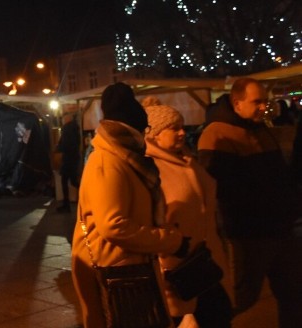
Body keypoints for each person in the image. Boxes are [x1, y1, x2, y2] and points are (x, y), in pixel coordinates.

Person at [71, 82, 186, 328]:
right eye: (143, 129)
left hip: (128, 266)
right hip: (116, 271)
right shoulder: (108, 160)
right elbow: (113, 225)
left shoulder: (122, 156)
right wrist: (169, 241)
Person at [197, 77, 302, 326]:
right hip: (250, 232)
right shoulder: (217, 134)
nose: (263, 107)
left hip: (280, 227)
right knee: (243, 297)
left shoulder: (259, 127)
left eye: (265, 101)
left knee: (293, 294)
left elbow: (278, 176)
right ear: (237, 103)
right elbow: (219, 188)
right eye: (257, 101)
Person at [143, 102, 233, 327]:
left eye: (182, 126)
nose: (182, 132)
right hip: (181, 269)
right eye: (174, 128)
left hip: (207, 262)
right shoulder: (151, 170)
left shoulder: (187, 160)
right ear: (154, 134)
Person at [55, 113, 81, 212]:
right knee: (73, 180)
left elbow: (64, 144)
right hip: (74, 158)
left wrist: (58, 148)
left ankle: (66, 205)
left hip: (68, 159)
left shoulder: (67, 129)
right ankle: (86, 195)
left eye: (63, 118)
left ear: (67, 119)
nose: (61, 120)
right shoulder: (75, 128)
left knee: (65, 181)